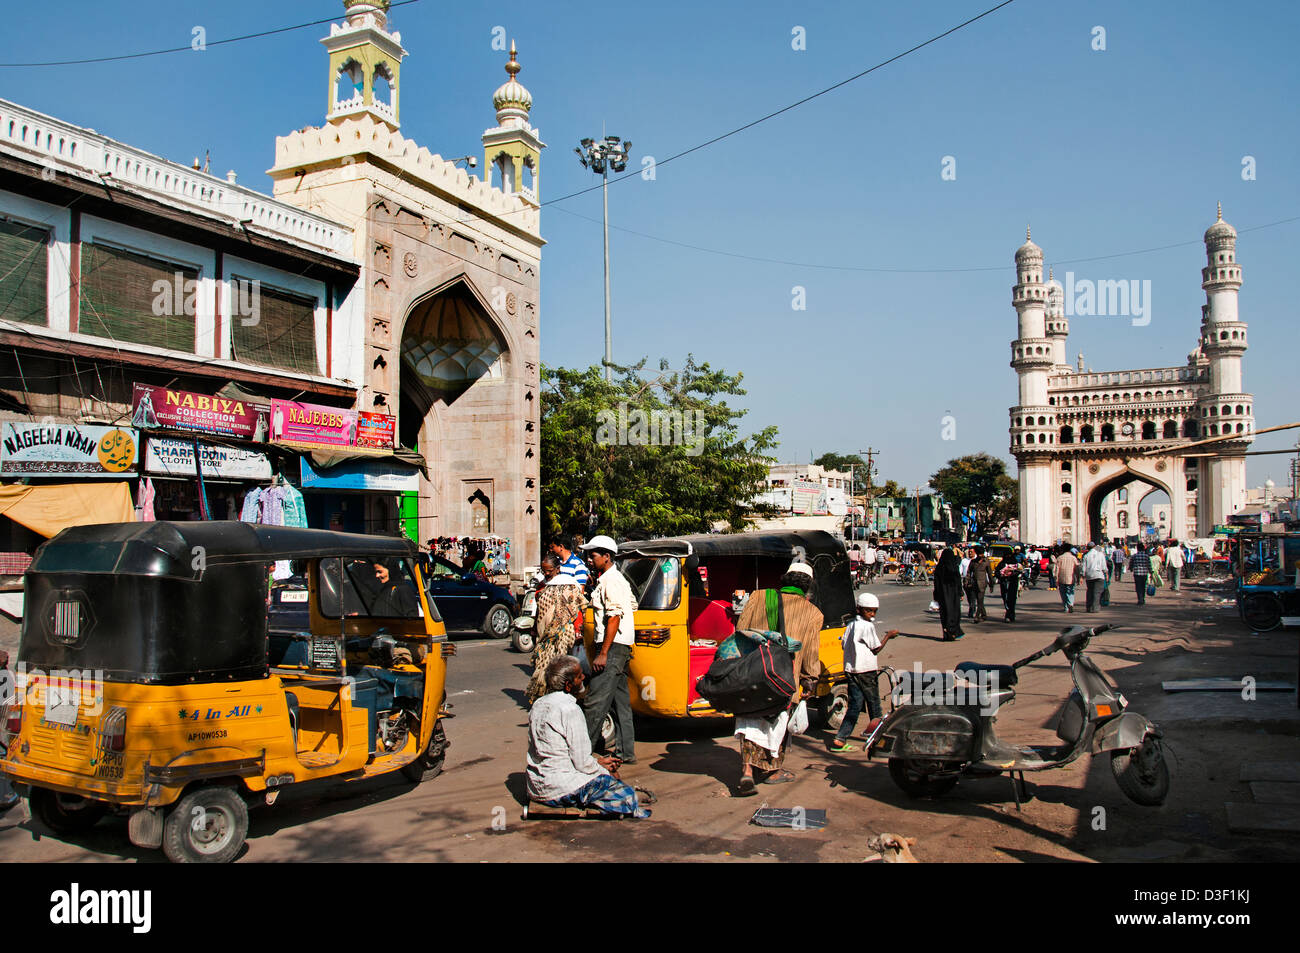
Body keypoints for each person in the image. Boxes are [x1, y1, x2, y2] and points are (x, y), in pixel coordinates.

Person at [733, 562, 824, 795]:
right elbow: (812, 652)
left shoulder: (759, 596)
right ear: (808, 588)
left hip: (754, 672)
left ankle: (747, 771)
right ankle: (773, 770)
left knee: (750, 720)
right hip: (785, 678)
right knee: (778, 723)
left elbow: (741, 630)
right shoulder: (813, 613)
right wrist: (810, 679)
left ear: (785, 579)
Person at [526, 656, 650, 818]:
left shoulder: (538, 704)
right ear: (569, 685)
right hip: (560, 788)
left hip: (535, 787)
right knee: (627, 796)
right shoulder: (571, 710)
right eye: (579, 676)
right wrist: (604, 772)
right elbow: (582, 763)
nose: (584, 677)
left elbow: (556, 751)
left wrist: (597, 763)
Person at [579, 535, 638, 764]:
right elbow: (631, 605)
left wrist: (603, 653)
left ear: (607, 557)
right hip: (621, 648)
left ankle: (582, 753)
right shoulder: (617, 580)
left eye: (593, 555)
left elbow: (614, 616)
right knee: (621, 702)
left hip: (612, 649)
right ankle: (626, 752)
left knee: (595, 702)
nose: (589, 559)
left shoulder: (610, 581)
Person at [829, 592, 897, 752]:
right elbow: (876, 648)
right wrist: (888, 635)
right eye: (869, 611)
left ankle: (840, 738)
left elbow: (844, 644)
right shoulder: (867, 626)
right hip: (866, 671)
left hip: (852, 670)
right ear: (859, 609)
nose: (872, 614)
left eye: (874, 611)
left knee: (855, 705)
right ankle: (878, 737)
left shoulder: (851, 624)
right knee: (875, 705)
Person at [525, 554, 590, 706]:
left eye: (549, 570)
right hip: (544, 635)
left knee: (561, 669)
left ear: (558, 569)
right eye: (544, 571)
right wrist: (535, 628)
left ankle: (563, 699)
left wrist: (579, 630)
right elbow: (540, 611)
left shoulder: (570, 585)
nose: (547, 574)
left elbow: (579, 609)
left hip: (564, 636)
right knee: (546, 667)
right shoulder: (542, 586)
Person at [933, 544, 965, 641]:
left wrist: (936, 595)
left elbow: (936, 583)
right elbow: (958, 582)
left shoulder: (939, 568)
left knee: (944, 614)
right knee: (954, 613)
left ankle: (946, 634)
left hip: (942, 594)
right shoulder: (954, 568)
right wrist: (961, 593)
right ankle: (953, 632)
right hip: (953, 594)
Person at [0, 650, 18, 815]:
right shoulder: (8, 675)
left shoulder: (5, 678)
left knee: (3, 757)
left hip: (4, 723)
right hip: (5, 722)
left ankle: (8, 796)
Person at [966, 545, 992, 622]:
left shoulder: (986, 561)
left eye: (982, 553)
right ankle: (984, 615)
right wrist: (967, 581)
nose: (981, 555)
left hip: (982, 583)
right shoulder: (973, 562)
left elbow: (990, 574)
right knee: (977, 600)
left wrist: (991, 584)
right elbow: (968, 572)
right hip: (974, 583)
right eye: (979, 553)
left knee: (980, 600)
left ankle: (977, 616)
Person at [1082, 542, 1109, 612]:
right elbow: (1104, 566)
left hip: (1089, 575)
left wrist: (1082, 576)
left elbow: (1083, 568)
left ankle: (1089, 607)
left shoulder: (1086, 556)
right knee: (1097, 592)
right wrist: (1106, 574)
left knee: (1090, 591)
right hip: (1099, 575)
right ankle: (1095, 608)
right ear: (1094, 547)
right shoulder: (1100, 554)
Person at [998, 553, 1022, 622]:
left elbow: (1019, 571)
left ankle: (1010, 615)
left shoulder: (1016, 564)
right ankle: (1009, 613)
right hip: (1004, 584)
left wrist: (1012, 574)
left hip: (1013, 584)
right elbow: (997, 572)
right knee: (1005, 599)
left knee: (1012, 600)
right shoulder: (1001, 564)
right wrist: (1002, 575)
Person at [1056, 547, 1080, 612]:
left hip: (1062, 578)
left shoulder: (1060, 558)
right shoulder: (1073, 558)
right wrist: (1078, 578)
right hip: (1070, 578)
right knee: (1070, 592)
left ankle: (1066, 607)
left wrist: (1056, 578)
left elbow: (1056, 569)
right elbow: (1077, 569)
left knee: (1063, 593)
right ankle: (1070, 604)